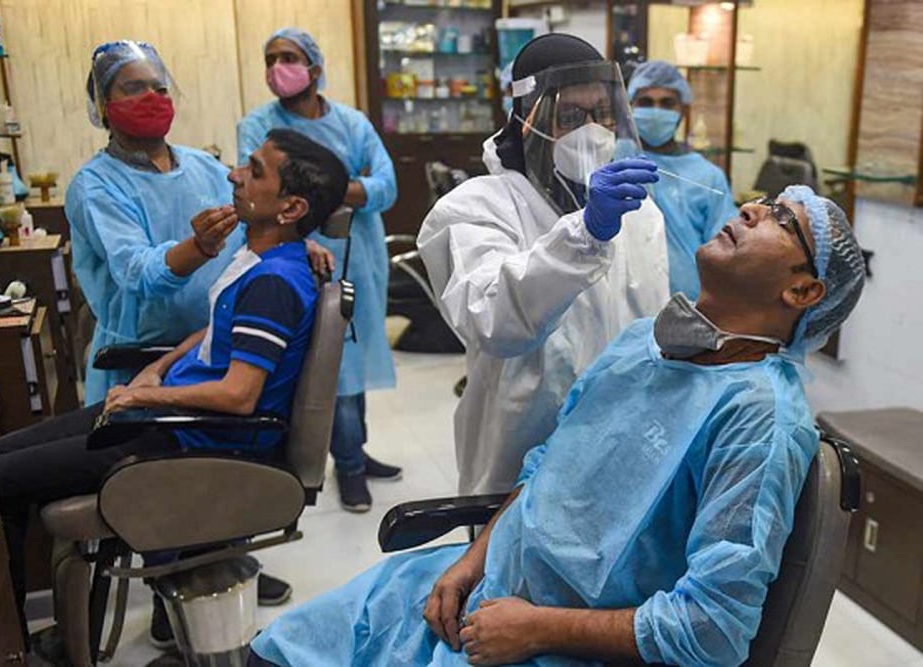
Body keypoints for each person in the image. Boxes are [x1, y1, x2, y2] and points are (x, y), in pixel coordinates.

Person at [249, 185, 866, 666]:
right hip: (484, 588)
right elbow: (546, 466)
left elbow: (713, 629)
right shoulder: (641, 345)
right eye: (765, 202)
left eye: (784, 221)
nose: (754, 209)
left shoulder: (759, 421)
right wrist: (472, 560)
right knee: (275, 651)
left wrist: (534, 628)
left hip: (564, 640)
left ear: (805, 291)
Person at [0, 129, 349, 655]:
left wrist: (145, 399)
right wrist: (156, 370)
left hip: (185, 439)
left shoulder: (274, 279)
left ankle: (3, 647)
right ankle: (19, 639)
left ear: (290, 206)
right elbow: (214, 333)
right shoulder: (259, 258)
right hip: (167, 419)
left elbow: (239, 396)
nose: (233, 175)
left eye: (253, 170)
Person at [417, 33, 670, 496]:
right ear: (525, 119)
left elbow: (647, 326)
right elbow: (493, 321)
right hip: (517, 453)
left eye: (602, 113)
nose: (591, 130)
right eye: (570, 116)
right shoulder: (475, 208)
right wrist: (585, 235)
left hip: (618, 446)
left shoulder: (641, 212)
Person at [237, 28, 401, 513]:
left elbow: (387, 184)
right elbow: (256, 194)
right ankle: (347, 468)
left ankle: (358, 451)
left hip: (362, 255)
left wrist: (320, 191)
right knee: (331, 368)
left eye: (288, 57)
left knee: (359, 354)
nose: (277, 67)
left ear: (314, 66)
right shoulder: (258, 127)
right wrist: (346, 189)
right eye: (270, 58)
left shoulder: (352, 123)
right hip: (303, 257)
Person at [66, 40, 245, 405]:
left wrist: (299, 242)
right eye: (134, 88)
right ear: (103, 105)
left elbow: (253, 232)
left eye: (160, 88)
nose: (152, 97)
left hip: (211, 347)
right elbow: (139, 274)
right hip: (137, 363)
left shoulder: (206, 168)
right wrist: (199, 248)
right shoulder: (95, 186)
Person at [628, 60, 738, 300]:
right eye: (646, 102)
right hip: (623, 300)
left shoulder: (708, 176)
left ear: (684, 110)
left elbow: (726, 253)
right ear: (630, 106)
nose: (656, 111)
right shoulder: (614, 160)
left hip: (687, 303)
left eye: (667, 103)